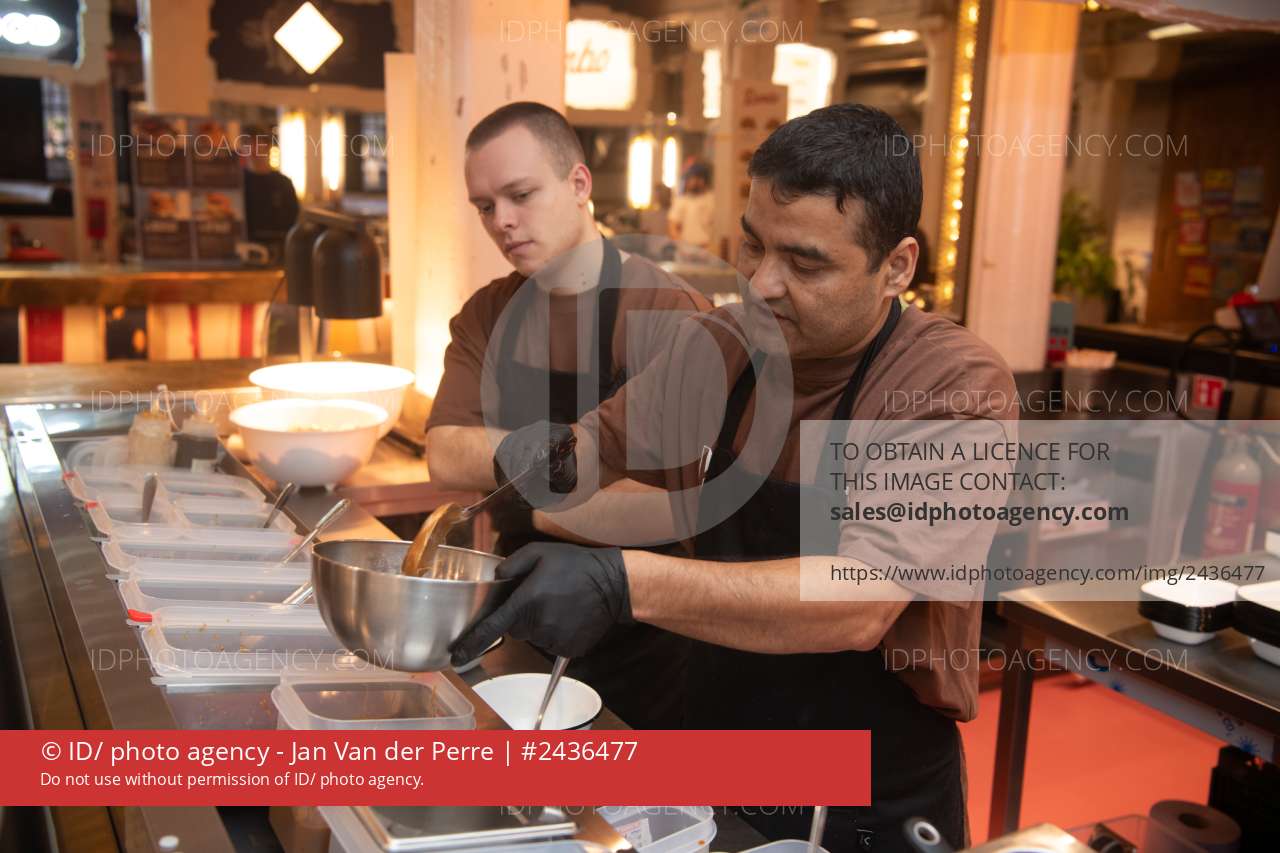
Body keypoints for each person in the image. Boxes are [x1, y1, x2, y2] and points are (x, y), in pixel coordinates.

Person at [453, 104, 1018, 851]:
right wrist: (508, 487)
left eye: (806, 263)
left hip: (865, 780)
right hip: (720, 743)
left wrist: (623, 582)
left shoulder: (951, 384)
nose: (762, 284)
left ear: (896, 267)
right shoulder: (721, 345)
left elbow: (860, 602)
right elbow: (594, 447)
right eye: (753, 245)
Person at [424, 101, 711, 730]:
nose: (502, 221)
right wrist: (581, 489)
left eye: (521, 195)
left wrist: (522, 500)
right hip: (518, 619)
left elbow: (681, 510)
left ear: (579, 184)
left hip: (645, 637)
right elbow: (445, 453)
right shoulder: (488, 314)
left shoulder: (669, 313)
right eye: (484, 206)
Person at [240, 125, 299, 257]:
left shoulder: (283, 183)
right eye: (248, 144)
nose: (253, 149)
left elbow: (292, 220)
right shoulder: (239, 183)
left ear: (268, 147)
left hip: (278, 249)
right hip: (247, 248)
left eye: (257, 144)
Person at [667, 162, 716, 255]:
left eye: (698, 178)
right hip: (685, 252)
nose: (694, 182)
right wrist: (683, 247)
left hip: (707, 251)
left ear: (704, 180)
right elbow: (672, 227)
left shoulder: (712, 200)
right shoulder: (681, 200)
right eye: (691, 178)